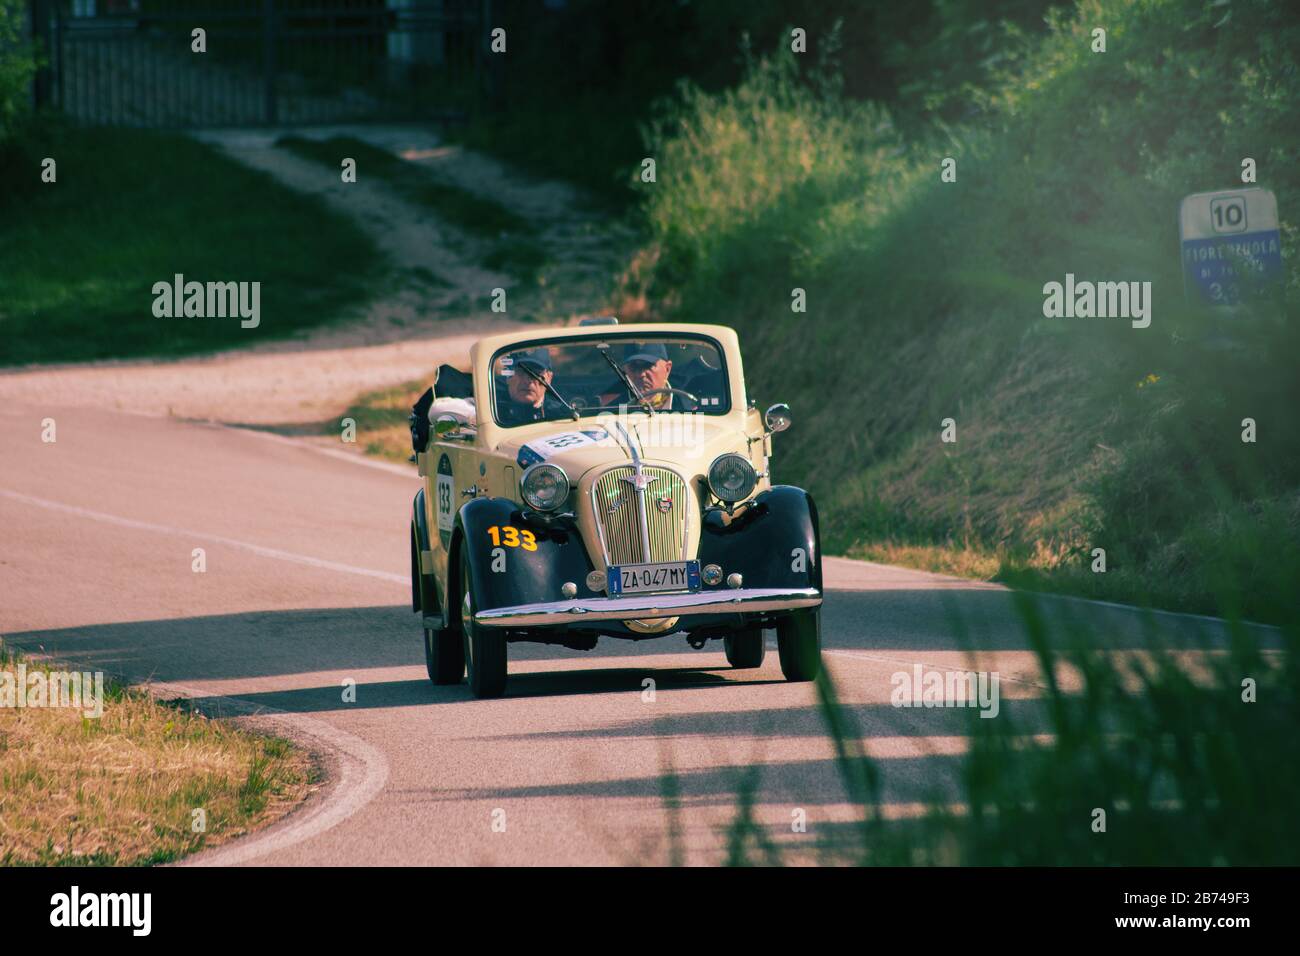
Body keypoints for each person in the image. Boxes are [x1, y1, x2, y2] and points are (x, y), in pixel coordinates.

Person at [599, 342, 680, 410]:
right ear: (624, 370)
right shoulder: (611, 412)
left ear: (667, 369)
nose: (640, 374)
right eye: (633, 366)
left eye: (648, 366)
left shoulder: (689, 408)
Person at [497, 347, 566, 425]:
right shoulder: (493, 413)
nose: (527, 381)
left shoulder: (562, 417)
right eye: (520, 371)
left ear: (549, 378)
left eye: (536, 373)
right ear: (508, 376)